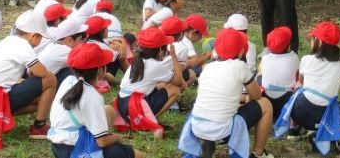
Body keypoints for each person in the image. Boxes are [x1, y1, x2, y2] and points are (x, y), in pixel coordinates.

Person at [182, 27, 275, 158]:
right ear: (242, 52)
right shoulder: (240, 66)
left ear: (215, 51)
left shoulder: (207, 67)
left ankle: (208, 146)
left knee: (214, 110)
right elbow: (256, 96)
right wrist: (246, 97)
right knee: (265, 104)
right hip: (223, 132)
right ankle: (258, 153)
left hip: (197, 127)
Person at [48, 43, 143, 158]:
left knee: (109, 111)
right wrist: (118, 138)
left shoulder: (69, 80)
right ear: (100, 70)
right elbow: (101, 142)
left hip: (58, 145)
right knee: (137, 155)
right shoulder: (92, 95)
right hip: (76, 150)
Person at [0, 10, 57, 138]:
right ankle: (39, 127)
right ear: (34, 36)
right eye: (41, 37)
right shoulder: (23, 45)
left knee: (41, 101)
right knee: (50, 78)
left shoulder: (8, 41)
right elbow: (41, 72)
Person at [286, 22, 340, 142]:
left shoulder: (306, 59)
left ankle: (294, 128)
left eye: (312, 38)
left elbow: (300, 83)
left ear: (318, 41)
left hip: (301, 114)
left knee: (298, 88)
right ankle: (324, 132)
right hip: (326, 116)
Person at [115, 28, 183, 126]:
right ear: (160, 51)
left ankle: (146, 118)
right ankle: (150, 120)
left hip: (122, 105)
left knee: (163, 84)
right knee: (175, 90)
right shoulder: (155, 65)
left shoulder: (139, 59)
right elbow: (179, 81)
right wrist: (173, 55)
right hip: (132, 110)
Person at [259, 26, 299, 119]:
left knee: (260, 75)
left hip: (267, 101)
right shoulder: (294, 58)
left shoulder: (265, 58)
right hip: (286, 102)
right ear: (288, 46)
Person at [38, 18, 88, 88]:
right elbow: (87, 63)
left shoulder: (53, 45)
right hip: (42, 86)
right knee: (75, 71)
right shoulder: (66, 50)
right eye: (80, 39)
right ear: (69, 40)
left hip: (39, 82)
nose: (82, 42)